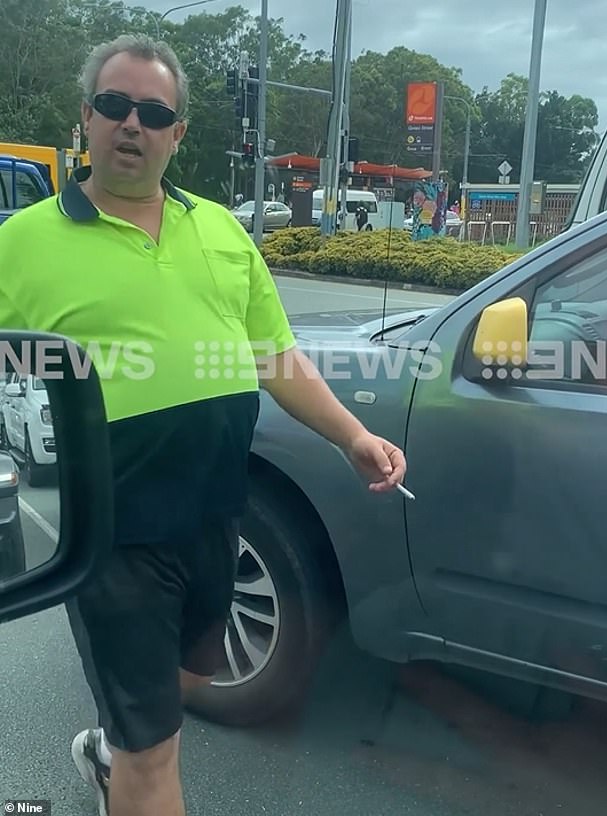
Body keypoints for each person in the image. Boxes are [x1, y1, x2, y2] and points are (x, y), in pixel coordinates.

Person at [0, 34, 406, 816]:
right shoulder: (21, 244)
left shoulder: (221, 229)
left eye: (154, 113)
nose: (133, 125)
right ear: (85, 117)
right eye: (115, 106)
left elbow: (276, 357)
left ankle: (113, 750)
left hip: (219, 519)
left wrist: (353, 436)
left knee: (183, 690)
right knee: (158, 758)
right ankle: (130, 761)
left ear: (178, 133)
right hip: (112, 536)